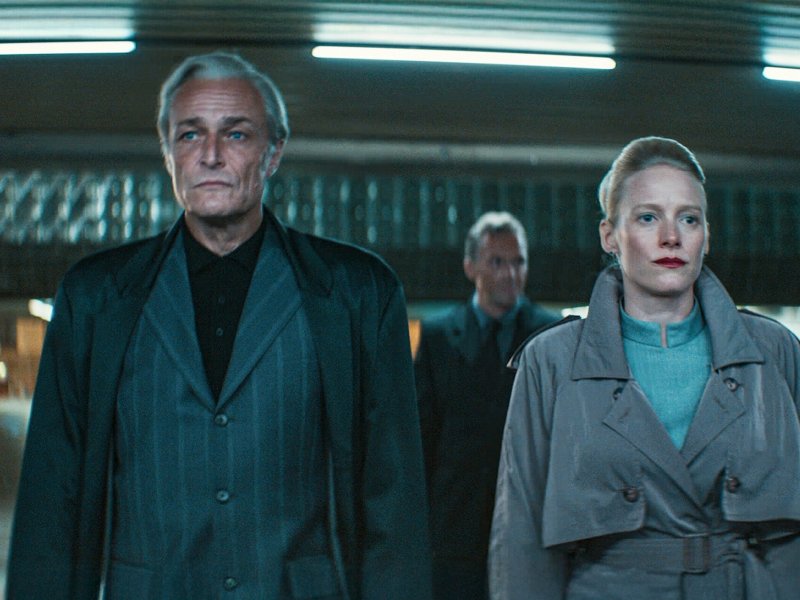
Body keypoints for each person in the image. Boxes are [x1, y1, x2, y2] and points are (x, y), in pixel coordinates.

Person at [6, 51, 432, 600]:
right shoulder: (96, 298)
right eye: (189, 135)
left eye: (235, 134)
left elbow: (392, 500)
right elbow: (52, 498)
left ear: (273, 152)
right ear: (168, 153)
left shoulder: (358, 293)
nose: (210, 155)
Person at [489, 136, 800, 599]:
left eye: (688, 218)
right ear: (609, 235)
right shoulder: (552, 361)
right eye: (648, 217)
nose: (671, 236)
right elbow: (522, 541)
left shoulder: (773, 352)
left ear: (707, 235)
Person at [414, 211, 559, 599]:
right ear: (470, 267)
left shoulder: (550, 333)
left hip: (529, 522)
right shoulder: (439, 336)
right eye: (497, 262)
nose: (510, 274)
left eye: (518, 262)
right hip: (454, 529)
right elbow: (422, 437)